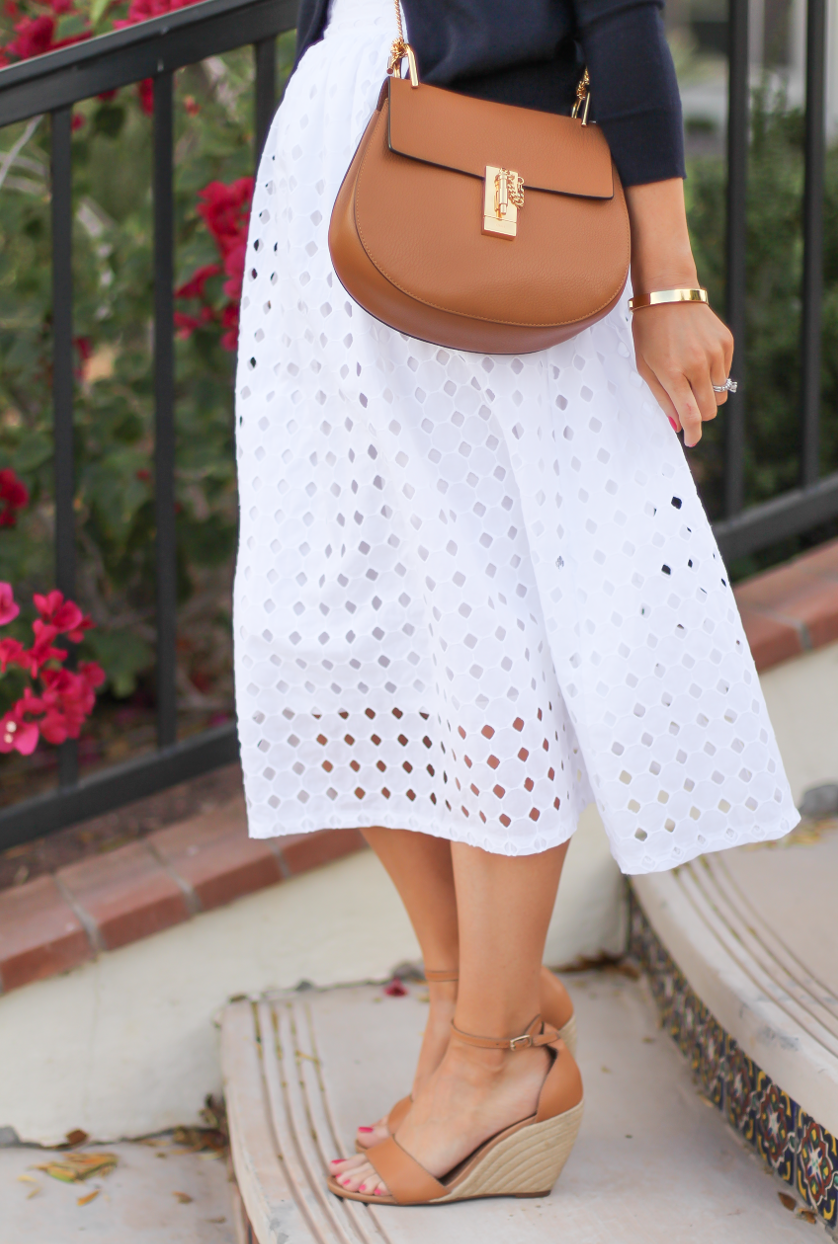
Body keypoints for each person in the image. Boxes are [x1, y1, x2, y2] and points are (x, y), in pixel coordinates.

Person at [233, 0, 799, 1206]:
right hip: (340, 171)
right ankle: (478, 999)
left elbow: (621, 22)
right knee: (328, 615)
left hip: (485, 187)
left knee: (482, 628)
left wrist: (667, 284)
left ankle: (489, 1059)